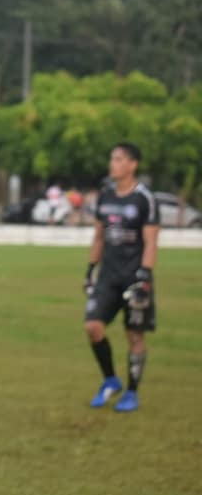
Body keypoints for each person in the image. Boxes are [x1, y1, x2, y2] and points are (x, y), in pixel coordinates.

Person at [84, 142, 159, 413]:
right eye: (112, 158)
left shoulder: (144, 198)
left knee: (134, 335)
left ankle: (131, 392)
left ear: (132, 164)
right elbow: (99, 236)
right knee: (93, 326)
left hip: (134, 278)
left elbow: (151, 242)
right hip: (107, 277)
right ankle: (110, 380)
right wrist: (91, 269)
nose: (112, 164)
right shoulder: (105, 196)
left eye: (118, 159)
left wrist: (144, 278)